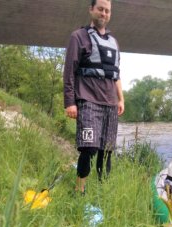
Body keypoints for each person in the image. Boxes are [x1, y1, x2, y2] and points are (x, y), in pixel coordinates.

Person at [64, 0, 124, 194]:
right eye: (100, 9)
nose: (104, 13)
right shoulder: (78, 37)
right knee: (88, 148)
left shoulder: (114, 42)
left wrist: (120, 99)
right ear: (91, 10)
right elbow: (69, 72)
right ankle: (79, 191)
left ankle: (102, 192)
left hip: (111, 104)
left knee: (106, 152)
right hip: (88, 102)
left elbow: (115, 73)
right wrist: (70, 102)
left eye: (107, 11)